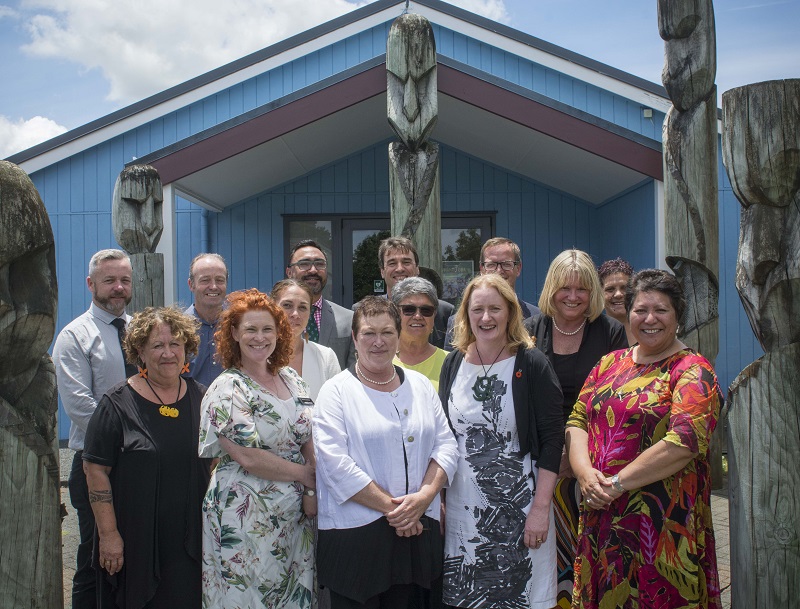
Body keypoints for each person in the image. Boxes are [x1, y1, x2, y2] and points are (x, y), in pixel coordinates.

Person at [566, 269, 722, 608]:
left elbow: (683, 443)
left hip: (661, 529)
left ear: (678, 315)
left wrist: (616, 484)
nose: (650, 319)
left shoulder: (692, 371)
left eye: (661, 310)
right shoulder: (609, 364)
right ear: (628, 313)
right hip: (602, 519)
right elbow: (578, 419)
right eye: (641, 310)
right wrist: (585, 475)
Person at [314, 297, 459, 609]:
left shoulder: (421, 386)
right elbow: (334, 464)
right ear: (354, 338)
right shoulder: (335, 392)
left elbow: (446, 446)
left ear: (399, 336)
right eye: (368, 333)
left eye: (387, 333)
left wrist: (424, 497)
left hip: (419, 531)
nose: (378, 342)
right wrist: (398, 512)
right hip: (357, 538)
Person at [438, 274, 564, 608]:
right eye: (477, 309)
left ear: (510, 312)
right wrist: (439, 499)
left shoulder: (532, 363)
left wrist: (540, 509)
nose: (486, 317)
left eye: (495, 308)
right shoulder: (453, 363)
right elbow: (444, 439)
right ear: (465, 314)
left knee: (517, 594)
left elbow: (553, 440)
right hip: (464, 509)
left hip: (521, 509)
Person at [82, 307, 212, 608]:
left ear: (187, 349)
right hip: (135, 540)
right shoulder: (115, 404)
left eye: (175, 344)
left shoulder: (204, 398)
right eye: (157, 345)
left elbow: (217, 464)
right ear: (140, 351)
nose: (168, 353)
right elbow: (94, 469)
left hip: (190, 541)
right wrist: (109, 534)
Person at [199, 288, 316, 609]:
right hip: (246, 520)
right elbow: (247, 455)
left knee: (294, 597)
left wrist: (310, 492)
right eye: (250, 329)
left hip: (293, 520)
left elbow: (308, 435)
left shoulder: (293, 378)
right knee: (247, 598)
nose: (260, 337)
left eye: (267, 329)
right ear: (234, 333)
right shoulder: (227, 387)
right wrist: (307, 476)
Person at [524, 249, 627, 609]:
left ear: (592, 293)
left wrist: (573, 455)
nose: (572, 296)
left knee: (589, 554)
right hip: (539, 460)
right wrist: (552, 454)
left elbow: (615, 401)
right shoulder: (530, 331)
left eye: (581, 289)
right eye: (564, 288)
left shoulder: (611, 332)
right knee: (543, 556)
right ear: (551, 289)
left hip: (591, 462)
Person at [53, 248, 135, 609]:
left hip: (139, 461)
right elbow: (80, 407)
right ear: (91, 284)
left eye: (125, 280)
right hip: (95, 462)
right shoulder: (74, 336)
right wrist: (134, 435)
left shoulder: (139, 330)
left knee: (133, 554)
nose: (118, 287)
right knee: (93, 557)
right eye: (109, 281)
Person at [443, 237, 540, 349]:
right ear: (482, 269)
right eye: (491, 265)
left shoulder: (536, 317)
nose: (499, 271)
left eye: (507, 264)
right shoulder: (457, 323)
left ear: (518, 268)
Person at [286, 239, 356, 369]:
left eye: (319, 264)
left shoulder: (349, 319)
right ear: (289, 272)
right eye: (304, 264)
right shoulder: (272, 318)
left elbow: (353, 371)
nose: (313, 270)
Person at [378, 236, 454, 349]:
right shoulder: (365, 312)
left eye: (406, 262)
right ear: (382, 272)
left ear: (417, 268)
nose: (399, 269)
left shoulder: (445, 313)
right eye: (392, 263)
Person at [272, 278, 341, 398]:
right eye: (287, 305)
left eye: (302, 307)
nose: (295, 314)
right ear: (272, 309)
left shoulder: (326, 357)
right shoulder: (258, 356)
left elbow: (338, 406)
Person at [390, 277, 447, 390]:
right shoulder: (380, 361)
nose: (417, 316)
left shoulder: (450, 363)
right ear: (395, 313)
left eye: (426, 310)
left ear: (434, 315)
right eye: (409, 309)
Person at [185, 253, 228, 387]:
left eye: (220, 280)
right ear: (191, 285)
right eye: (205, 280)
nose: (214, 286)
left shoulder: (237, 325)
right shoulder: (177, 330)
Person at [598, 257, 635, 346]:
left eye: (624, 288)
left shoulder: (646, 330)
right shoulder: (593, 333)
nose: (618, 294)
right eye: (610, 289)